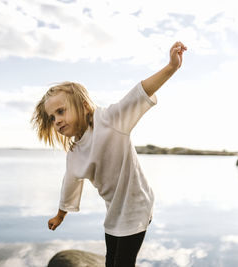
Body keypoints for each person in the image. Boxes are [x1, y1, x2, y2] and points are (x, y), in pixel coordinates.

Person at [31, 41, 187, 267]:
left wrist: (171, 67)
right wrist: (60, 215)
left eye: (61, 111)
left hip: (136, 205)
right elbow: (70, 184)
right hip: (114, 211)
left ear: (84, 106)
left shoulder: (110, 121)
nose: (57, 121)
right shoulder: (74, 153)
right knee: (110, 261)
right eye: (52, 117)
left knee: (123, 262)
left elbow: (139, 93)